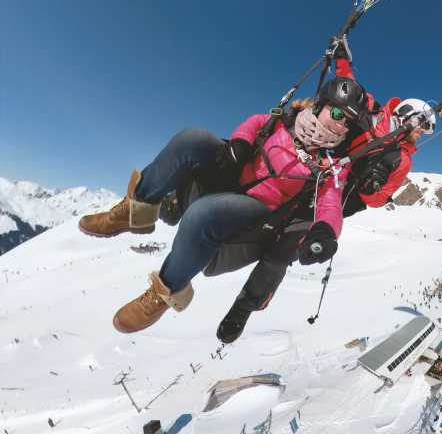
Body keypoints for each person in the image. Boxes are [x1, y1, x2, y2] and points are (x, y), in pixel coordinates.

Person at [78, 62, 371, 339]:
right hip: (234, 173)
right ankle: (133, 212)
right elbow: (256, 122)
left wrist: (325, 232)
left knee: (203, 214)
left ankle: (165, 291)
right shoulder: (288, 119)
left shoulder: (332, 163)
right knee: (192, 139)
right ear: (319, 106)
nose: (340, 125)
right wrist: (241, 143)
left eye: (348, 123)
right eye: (336, 114)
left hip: (256, 209)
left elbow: (331, 201)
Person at [343, 96, 436, 216]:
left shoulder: (402, 161)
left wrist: (369, 190)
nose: (421, 134)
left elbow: (380, 199)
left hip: (338, 200)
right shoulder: (372, 112)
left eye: (423, 133)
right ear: (406, 114)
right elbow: (349, 91)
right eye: (420, 128)